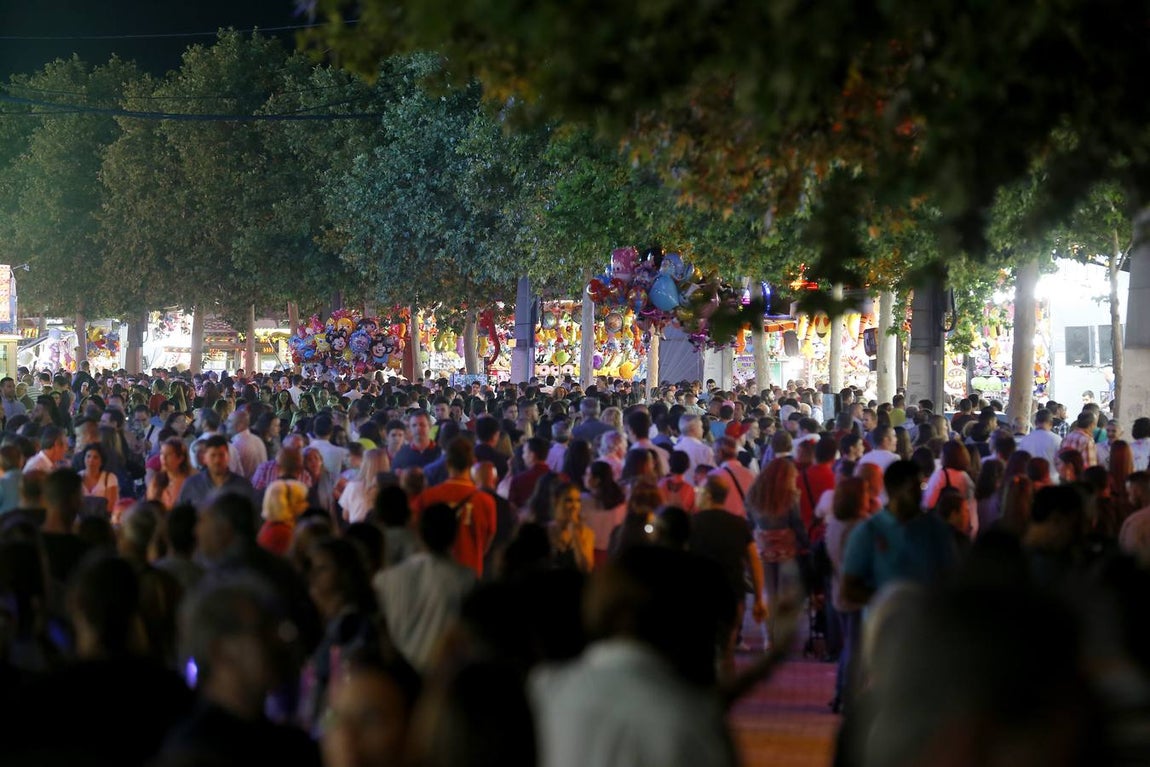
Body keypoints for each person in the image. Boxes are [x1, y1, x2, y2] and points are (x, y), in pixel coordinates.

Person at [159, 578, 321, 767]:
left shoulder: (288, 745)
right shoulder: (195, 755)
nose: (280, 641)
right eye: (262, 631)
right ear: (220, 652)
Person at [374, 502, 477, 672]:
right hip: (441, 676)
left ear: (418, 532)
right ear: (455, 534)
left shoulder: (386, 579)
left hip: (398, 675)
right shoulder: (467, 580)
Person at [842, 461, 957, 607]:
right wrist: (892, 602)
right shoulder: (869, 531)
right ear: (895, 490)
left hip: (930, 623)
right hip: (886, 625)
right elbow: (849, 588)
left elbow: (951, 574)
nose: (921, 494)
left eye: (922, 487)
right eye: (916, 488)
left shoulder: (936, 528)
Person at [689, 475, 766, 676]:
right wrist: (759, 598)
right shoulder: (739, 524)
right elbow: (754, 562)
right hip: (732, 594)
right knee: (726, 648)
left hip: (699, 594)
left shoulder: (692, 523)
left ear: (706, 495)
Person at [410, 437, 497, 577]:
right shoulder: (486, 501)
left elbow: (414, 534)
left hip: (435, 576)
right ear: (473, 463)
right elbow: (485, 544)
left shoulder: (427, 498)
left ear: (447, 463)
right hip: (471, 575)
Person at [746, 458, 809, 647]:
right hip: (786, 549)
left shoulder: (755, 494)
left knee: (768, 593)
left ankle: (768, 637)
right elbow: (796, 523)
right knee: (784, 595)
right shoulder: (790, 496)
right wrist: (807, 543)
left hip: (762, 547)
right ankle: (781, 635)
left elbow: (749, 520)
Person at [177, 435, 254, 508]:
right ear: (205, 458)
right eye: (213, 455)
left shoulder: (242, 486)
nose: (217, 460)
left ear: (228, 457)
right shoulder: (192, 485)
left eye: (221, 455)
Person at [921, 440, 979, 539]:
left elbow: (928, 503)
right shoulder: (966, 477)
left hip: (944, 528)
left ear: (945, 456)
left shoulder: (941, 475)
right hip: (965, 526)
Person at [547, 481, 595, 573]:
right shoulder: (546, 530)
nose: (575, 506)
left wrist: (575, 536)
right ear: (557, 502)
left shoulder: (586, 533)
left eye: (578, 501)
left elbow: (587, 569)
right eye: (569, 500)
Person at [256, 478, 310, 556]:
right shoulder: (283, 533)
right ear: (286, 504)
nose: (306, 505)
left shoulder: (271, 526)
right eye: (300, 501)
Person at [706, 436, 757, 519]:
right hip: (747, 523)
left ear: (720, 453)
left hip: (726, 522)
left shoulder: (714, 476)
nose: (713, 456)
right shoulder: (750, 474)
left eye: (714, 452)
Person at [338, 447, 390, 525]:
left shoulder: (353, 486)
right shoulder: (392, 488)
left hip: (358, 532)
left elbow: (345, 516)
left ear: (365, 464)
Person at [147, 437, 193, 510]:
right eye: (161, 454)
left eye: (168, 454)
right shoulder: (157, 480)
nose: (163, 458)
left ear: (180, 458)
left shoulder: (191, 480)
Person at [79, 443, 119, 516]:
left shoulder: (110, 478)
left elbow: (110, 506)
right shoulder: (77, 477)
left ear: (101, 461)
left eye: (95, 457)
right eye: (88, 456)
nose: (91, 460)